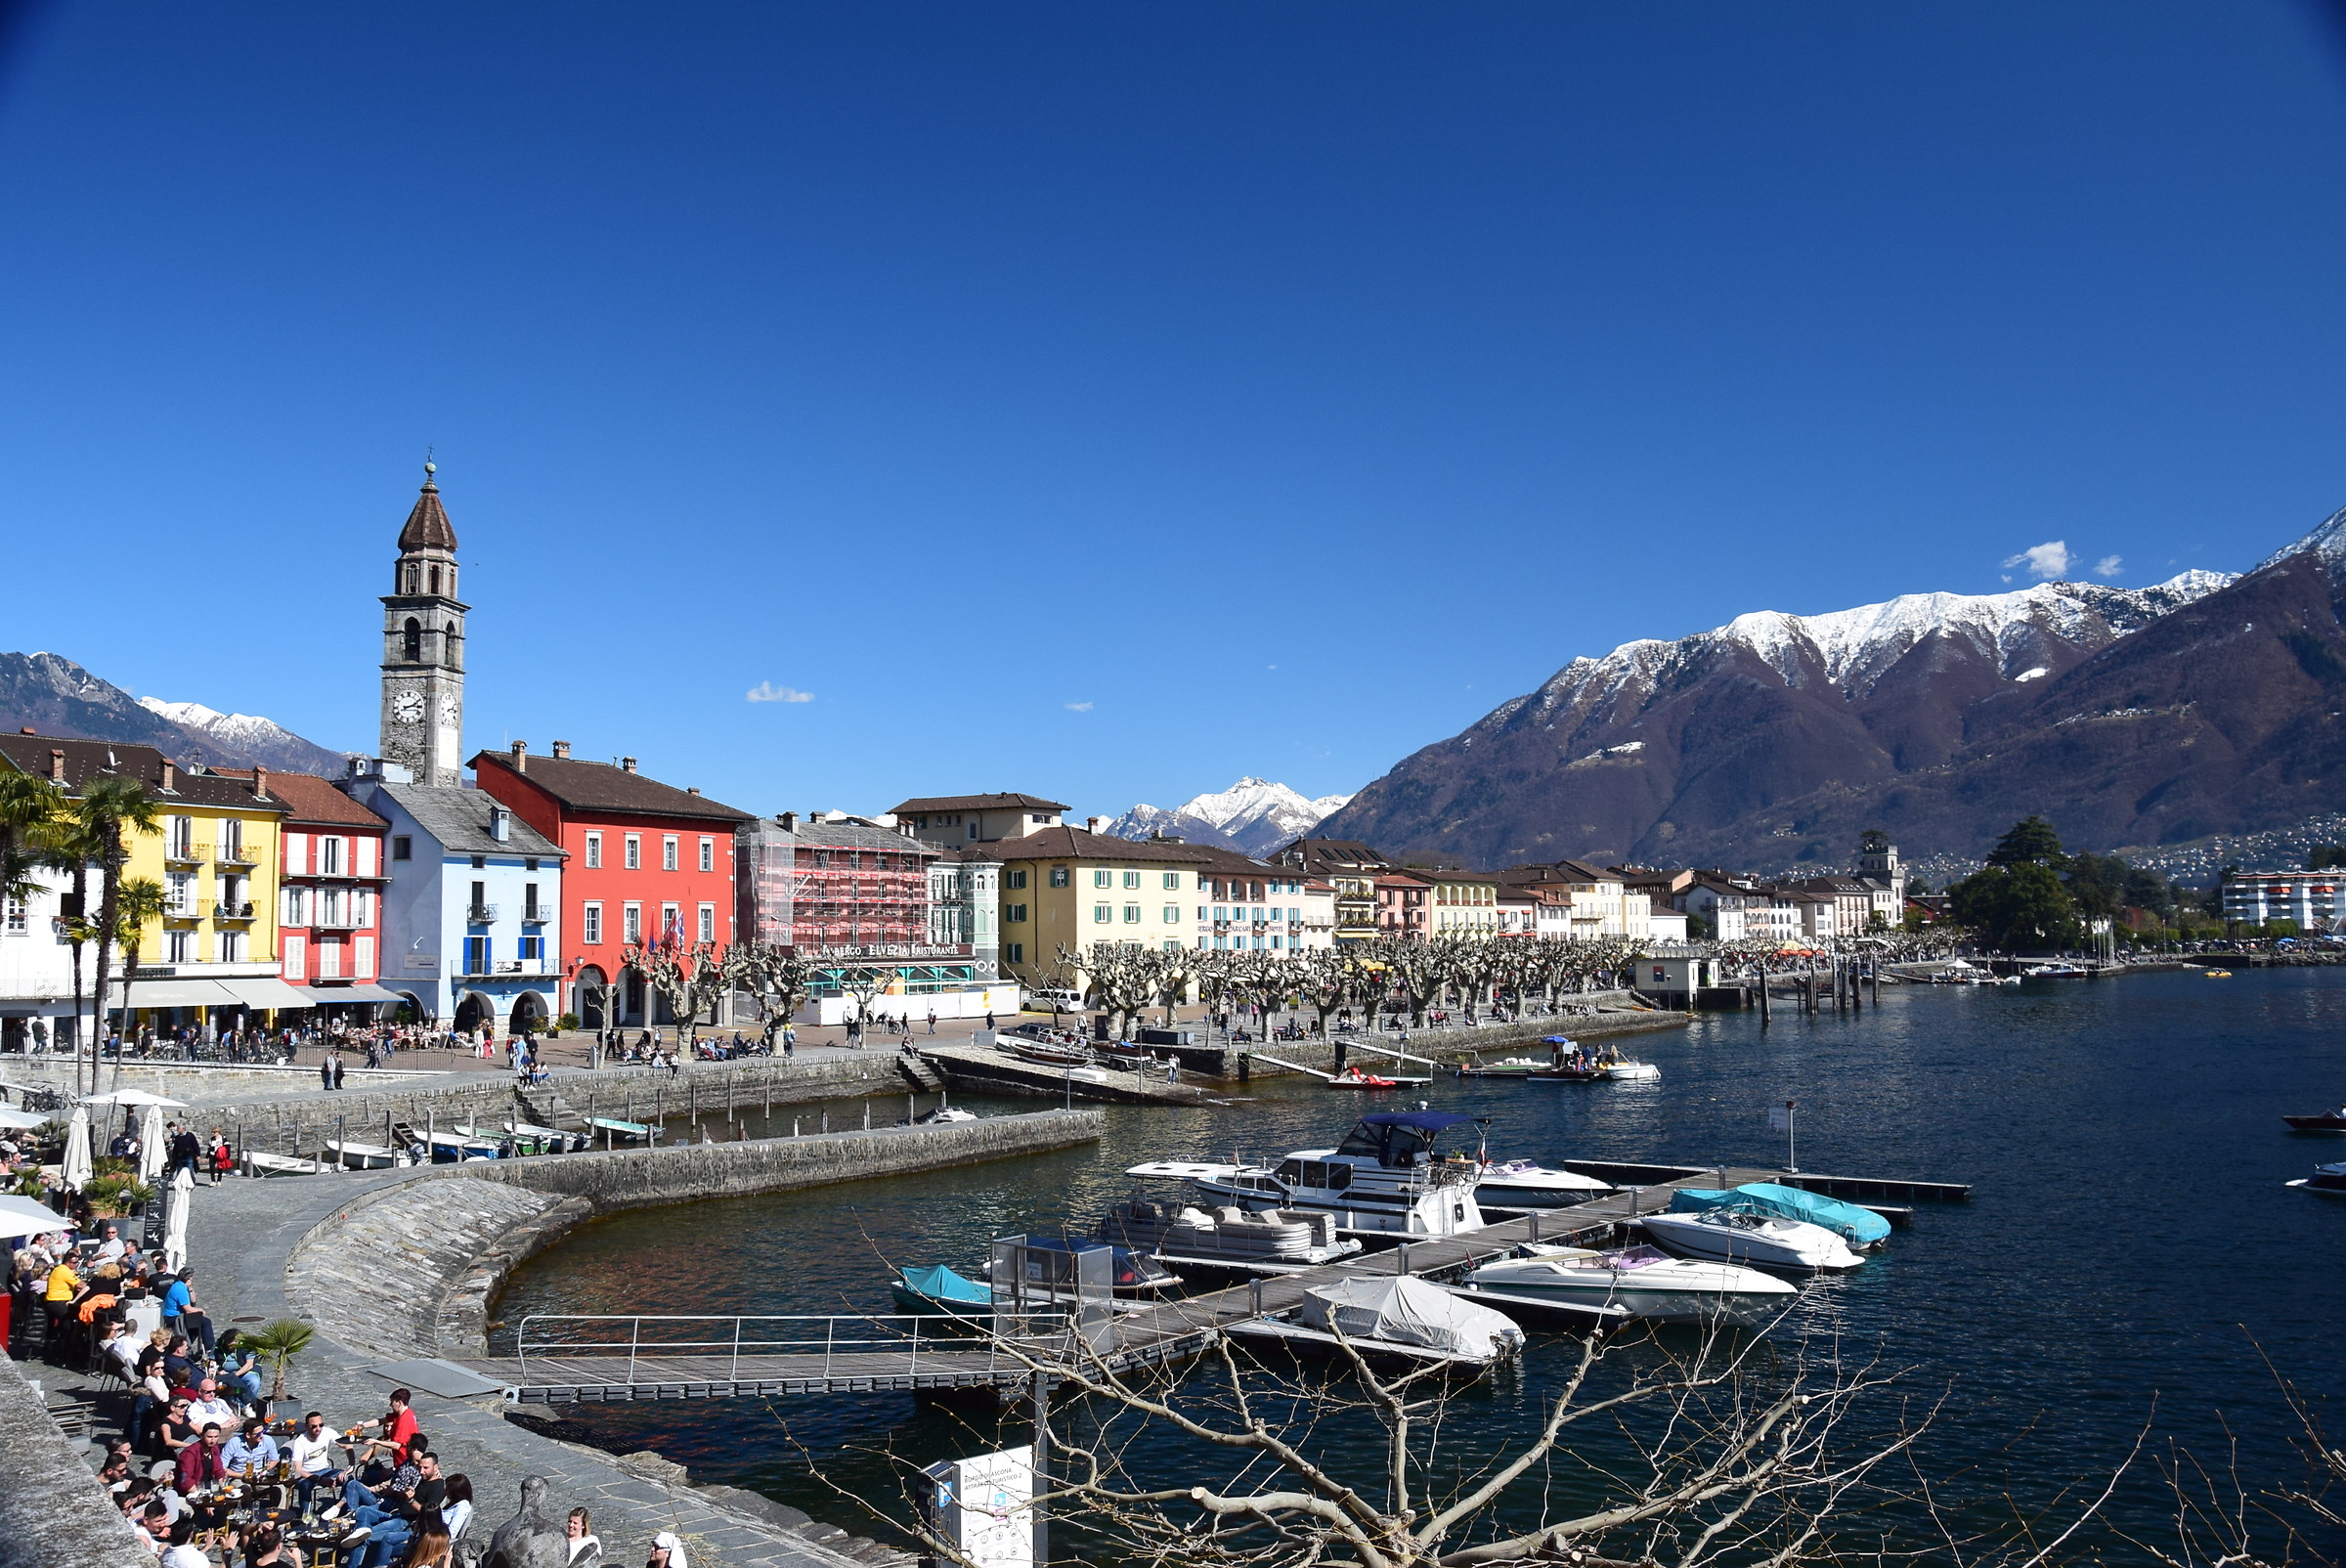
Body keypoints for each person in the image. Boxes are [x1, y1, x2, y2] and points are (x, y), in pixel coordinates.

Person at [287, 1410, 339, 1510]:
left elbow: (345, 1444)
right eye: (314, 1426)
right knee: (305, 1485)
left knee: (347, 1478)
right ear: (307, 1427)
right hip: (306, 1474)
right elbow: (297, 1470)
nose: (318, 1429)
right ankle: (306, 1516)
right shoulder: (300, 1442)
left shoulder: (327, 1432)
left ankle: (341, 1509)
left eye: (321, 1425)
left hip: (324, 1471)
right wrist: (319, 1479)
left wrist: (350, 1467)